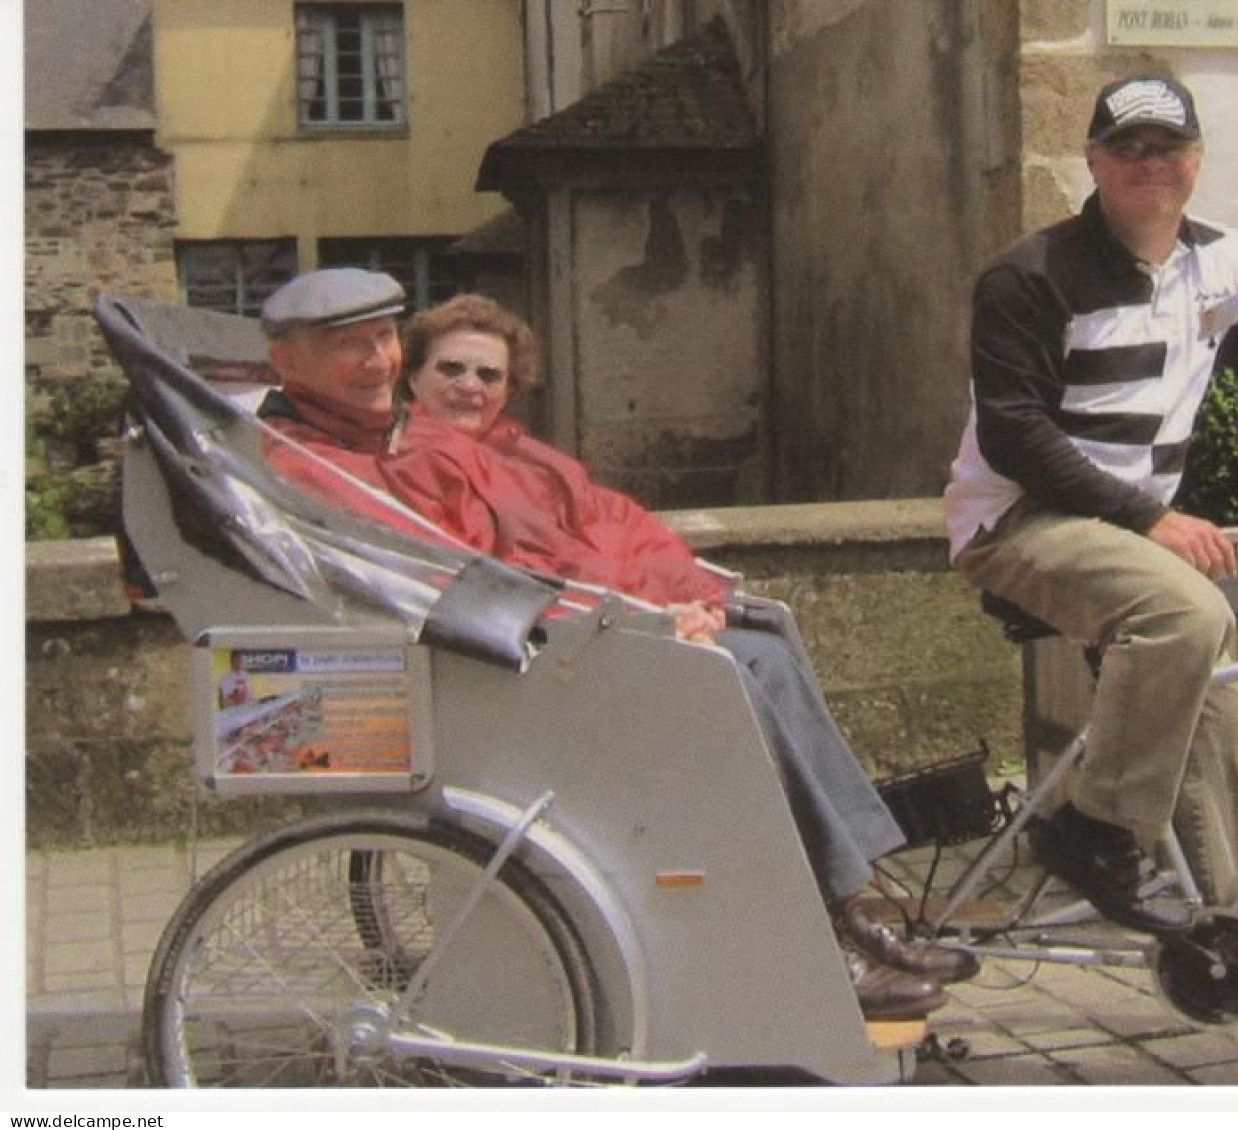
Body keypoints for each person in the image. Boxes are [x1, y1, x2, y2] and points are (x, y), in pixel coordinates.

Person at [254, 272, 975, 1020]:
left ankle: (845, 902)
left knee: (762, 636)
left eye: (381, 339)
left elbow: (609, 529)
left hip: (565, 631)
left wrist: (689, 595)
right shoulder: (347, 461)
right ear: (289, 362)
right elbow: (481, 578)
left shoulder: (425, 443)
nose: (376, 361)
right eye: (350, 347)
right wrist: (650, 619)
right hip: (516, 666)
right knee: (730, 677)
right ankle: (823, 926)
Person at [944, 75, 1238, 1014]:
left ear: (1197, 162)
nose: (1150, 166)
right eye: (1128, 149)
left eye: (1168, 148)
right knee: (1183, 612)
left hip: (1116, 532)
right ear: (1091, 160)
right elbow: (1012, 433)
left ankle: (1230, 943)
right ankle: (1096, 830)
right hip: (1016, 524)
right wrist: (1149, 518)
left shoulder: (1221, 267)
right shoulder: (1031, 275)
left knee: (1226, 735)